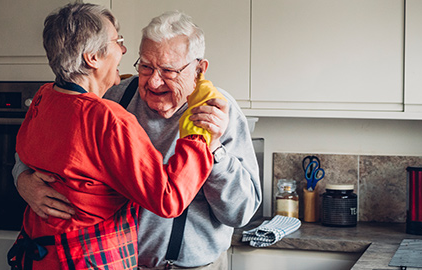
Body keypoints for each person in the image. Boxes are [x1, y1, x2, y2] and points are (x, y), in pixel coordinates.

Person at [14, 10, 261, 269]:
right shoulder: (110, 98)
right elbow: (39, 147)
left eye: (168, 70)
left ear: (199, 69)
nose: (154, 81)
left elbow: (240, 213)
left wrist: (213, 149)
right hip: (109, 261)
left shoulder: (219, 113)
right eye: (145, 66)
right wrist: (23, 180)